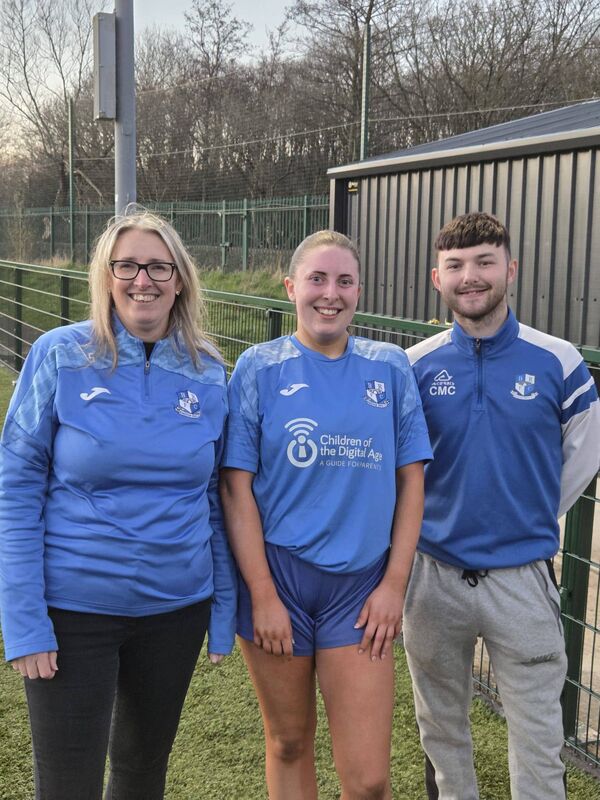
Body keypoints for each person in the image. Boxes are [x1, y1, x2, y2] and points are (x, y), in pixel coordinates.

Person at [0, 208, 237, 800]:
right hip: (73, 610)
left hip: (175, 610)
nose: (143, 280)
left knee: (140, 775)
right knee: (67, 785)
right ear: (106, 276)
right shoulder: (60, 354)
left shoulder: (209, 370)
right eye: (127, 265)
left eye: (159, 266)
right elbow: (16, 487)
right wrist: (24, 621)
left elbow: (214, 496)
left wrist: (223, 607)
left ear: (180, 279)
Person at [220, 229, 432, 800]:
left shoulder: (388, 369)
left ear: (360, 290)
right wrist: (262, 593)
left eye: (344, 281)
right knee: (288, 741)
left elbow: (412, 480)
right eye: (317, 279)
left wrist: (393, 585)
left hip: (361, 591)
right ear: (291, 287)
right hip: (280, 582)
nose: (329, 294)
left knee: (369, 781)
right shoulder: (258, 369)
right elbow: (236, 488)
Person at [403, 211, 600, 800]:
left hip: (522, 581)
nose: (471, 277)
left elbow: (585, 452)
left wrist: (529, 513)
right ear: (437, 277)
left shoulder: (558, 361)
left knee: (539, 743)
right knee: (441, 732)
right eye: (456, 266)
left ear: (509, 269)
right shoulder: (414, 365)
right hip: (432, 577)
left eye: (485, 262)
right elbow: (400, 469)